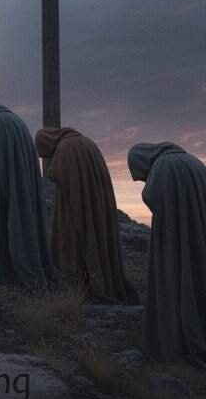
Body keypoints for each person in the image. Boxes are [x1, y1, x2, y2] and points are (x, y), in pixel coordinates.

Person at [128, 143, 206, 375]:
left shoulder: (163, 167)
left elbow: (153, 197)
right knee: (203, 282)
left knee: (183, 285)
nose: (144, 179)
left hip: (179, 238)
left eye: (141, 175)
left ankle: (186, 342)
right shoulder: (193, 162)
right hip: (204, 237)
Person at [35, 127, 139, 304]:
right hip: (95, 203)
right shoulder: (86, 143)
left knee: (75, 242)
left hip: (75, 206)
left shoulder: (66, 148)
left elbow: (56, 175)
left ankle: (82, 288)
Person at [0, 102, 55, 289]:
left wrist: (6, 195)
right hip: (18, 184)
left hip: (6, 187)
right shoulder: (12, 120)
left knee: (7, 225)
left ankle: (5, 270)